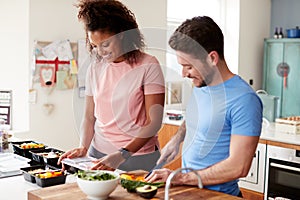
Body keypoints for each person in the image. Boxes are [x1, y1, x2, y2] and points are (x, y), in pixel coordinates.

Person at [145, 16, 262, 197]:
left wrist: (179, 178)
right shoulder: (201, 85)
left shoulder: (244, 99)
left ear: (212, 58)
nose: (184, 74)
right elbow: (196, 117)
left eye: (188, 66)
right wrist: (176, 140)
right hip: (190, 192)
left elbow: (239, 166)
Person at [58, 0, 165, 172]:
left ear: (121, 34)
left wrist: (122, 154)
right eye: (95, 46)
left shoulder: (148, 65)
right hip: (98, 153)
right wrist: (83, 147)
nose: (100, 51)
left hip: (138, 157)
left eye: (105, 44)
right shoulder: (95, 66)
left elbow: (154, 122)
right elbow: (89, 116)